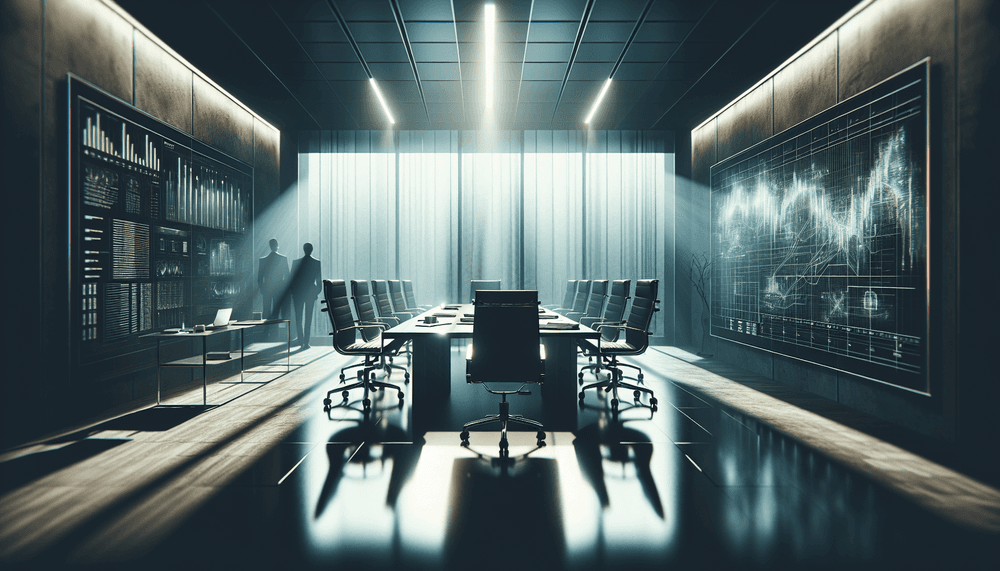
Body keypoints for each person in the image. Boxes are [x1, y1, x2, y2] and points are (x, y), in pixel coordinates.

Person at [289, 242, 322, 349]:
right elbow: (319, 282)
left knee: (298, 318)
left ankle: (300, 339)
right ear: (311, 250)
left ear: (303, 249)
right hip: (310, 293)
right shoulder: (316, 262)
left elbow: (292, 280)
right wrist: (315, 293)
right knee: (309, 318)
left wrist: (293, 292)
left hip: (298, 294)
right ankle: (306, 342)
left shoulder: (296, 262)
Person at [257, 238, 288, 319]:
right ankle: (275, 330)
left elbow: (259, 277)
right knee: (276, 311)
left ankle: (266, 330)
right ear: (277, 246)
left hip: (267, 288)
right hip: (279, 288)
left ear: (270, 246)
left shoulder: (263, 260)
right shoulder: (283, 259)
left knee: (266, 311)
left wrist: (261, 288)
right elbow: (287, 276)